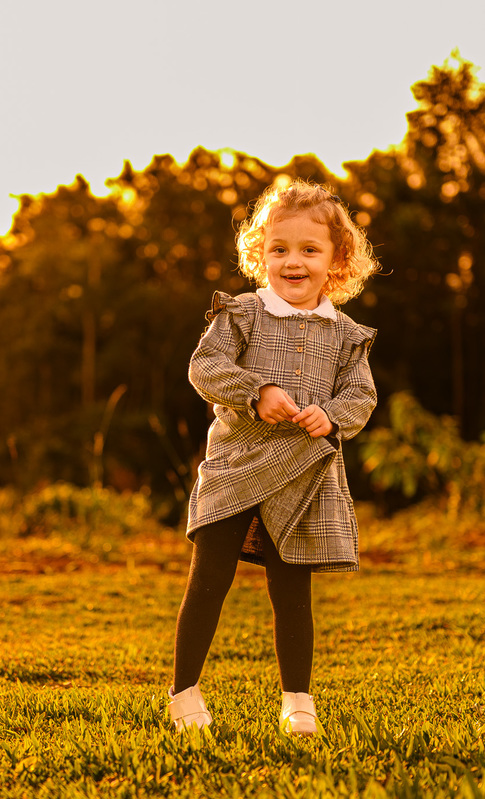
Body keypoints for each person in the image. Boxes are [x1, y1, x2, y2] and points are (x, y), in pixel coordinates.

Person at [167, 177, 380, 737]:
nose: (294, 262)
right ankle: (184, 695)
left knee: (292, 592)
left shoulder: (346, 335)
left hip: (303, 477)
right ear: (260, 254)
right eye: (279, 249)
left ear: (336, 260)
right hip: (236, 470)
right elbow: (205, 369)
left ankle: (298, 703)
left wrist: (331, 415)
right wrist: (256, 391)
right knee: (208, 582)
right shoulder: (239, 314)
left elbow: (361, 396)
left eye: (310, 250)